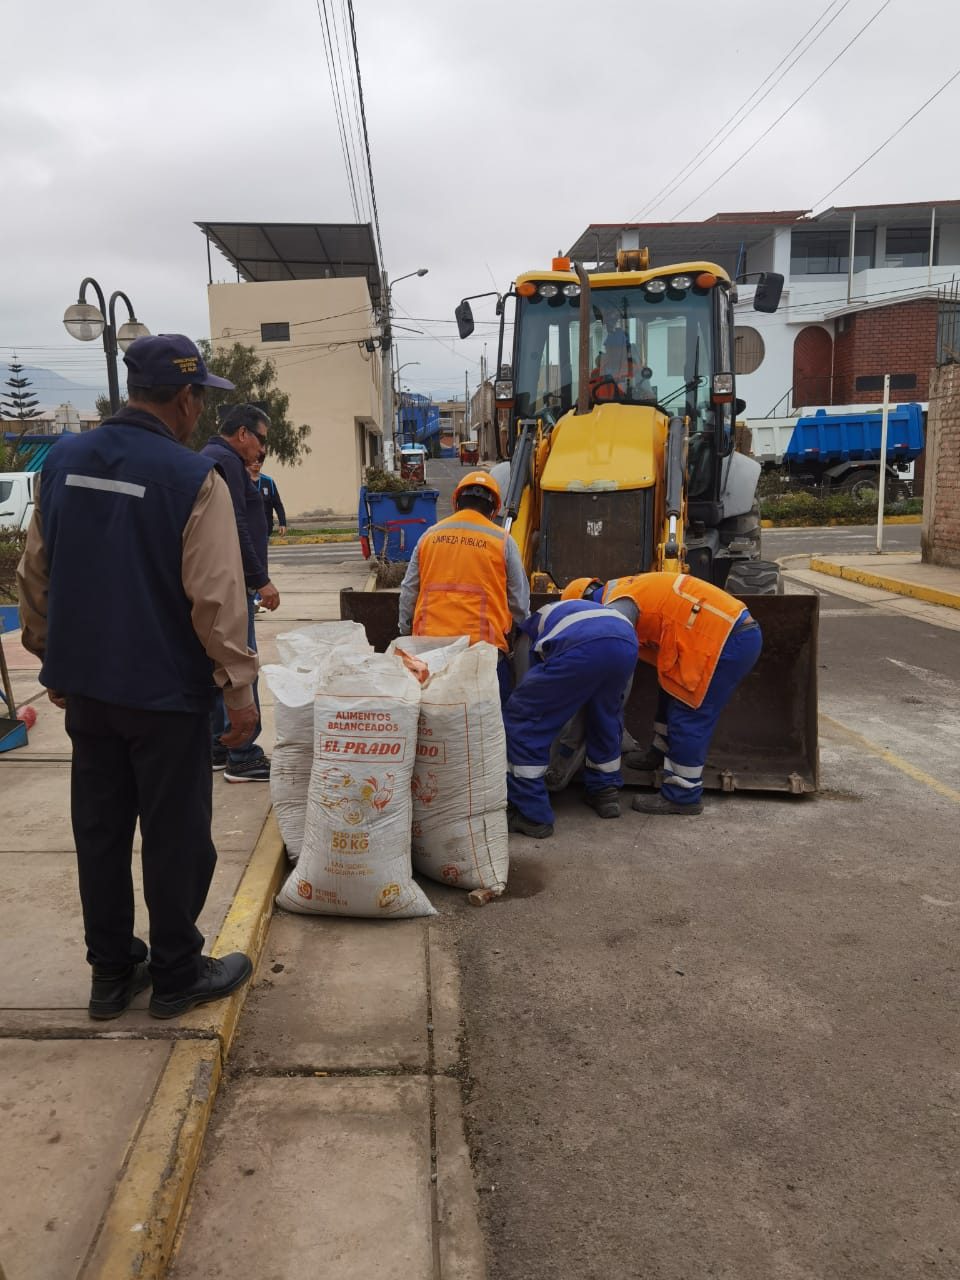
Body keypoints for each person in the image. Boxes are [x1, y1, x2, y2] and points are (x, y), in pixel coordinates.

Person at [16, 333, 257, 1020]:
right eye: (199, 399)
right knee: (176, 836)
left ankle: (111, 973)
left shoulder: (62, 463)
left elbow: (36, 572)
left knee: (100, 830)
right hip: (166, 696)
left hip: (89, 691)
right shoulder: (192, 478)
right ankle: (177, 972)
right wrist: (239, 690)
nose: (199, 412)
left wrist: (50, 653)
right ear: (183, 399)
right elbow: (216, 599)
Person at [563, 572, 763, 816]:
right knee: (670, 691)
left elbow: (614, 668)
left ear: (582, 605)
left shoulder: (616, 607)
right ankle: (659, 753)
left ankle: (682, 795)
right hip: (724, 632)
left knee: (689, 714)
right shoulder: (626, 591)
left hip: (724, 639)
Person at [503, 598, 639, 838]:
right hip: (626, 643)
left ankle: (531, 814)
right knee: (604, 717)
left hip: (582, 647)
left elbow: (529, 683)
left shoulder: (528, 630)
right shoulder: (579, 610)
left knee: (525, 719)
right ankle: (605, 792)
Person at [397, 470, 529, 703]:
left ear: (456, 502)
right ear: (494, 510)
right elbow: (519, 601)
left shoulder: (429, 536)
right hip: (483, 653)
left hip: (430, 651)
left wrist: (405, 630)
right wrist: (522, 631)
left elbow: (409, 590)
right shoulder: (502, 541)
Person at [201, 405, 279, 782]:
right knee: (240, 666)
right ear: (243, 433)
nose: (263, 450)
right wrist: (260, 579)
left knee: (221, 666)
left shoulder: (212, 458)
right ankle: (243, 755)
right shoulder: (227, 463)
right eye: (261, 439)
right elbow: (237, 526)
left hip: (219, 582)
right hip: (232, 584)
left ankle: (220, 745)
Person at [249, 457, 287, 536]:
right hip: (247, 526)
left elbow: (278, 504)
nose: (256, 462)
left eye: (259, 460)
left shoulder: (269, 481)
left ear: (262, 463)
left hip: (265, 526)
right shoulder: (242, 480)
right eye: (254, 459)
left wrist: (282, 523)